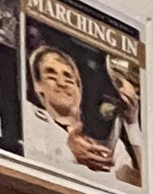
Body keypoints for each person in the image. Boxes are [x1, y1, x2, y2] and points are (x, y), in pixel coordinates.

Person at [25, 40, 118, 176]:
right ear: (37, 85)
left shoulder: (106, 139)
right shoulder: (28, 118)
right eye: (51, 76)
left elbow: (132, 179)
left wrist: (131, 122)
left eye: (68, 77)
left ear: (79, 89)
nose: (62, 83)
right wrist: (68, 150)